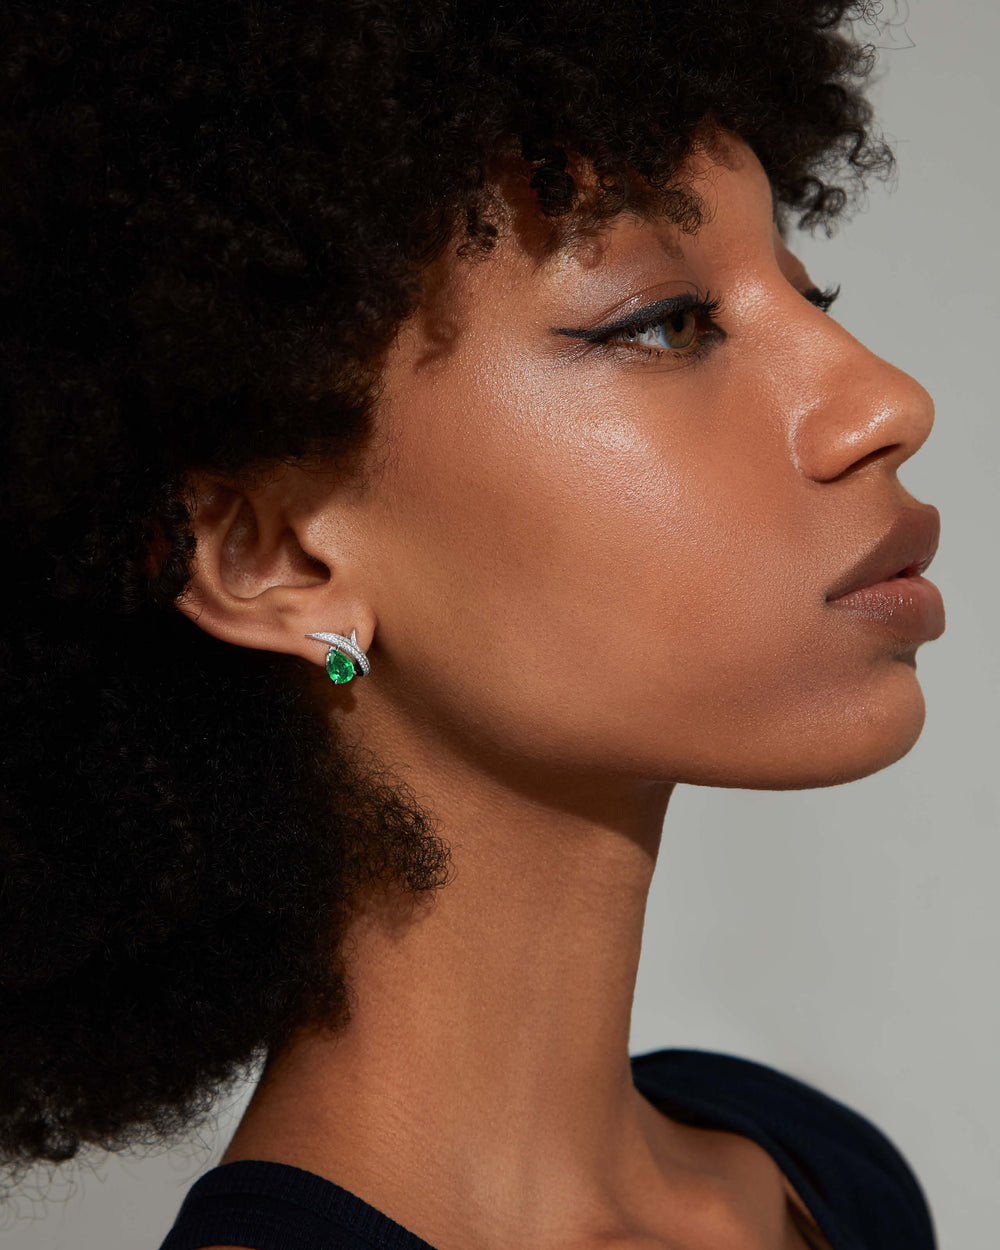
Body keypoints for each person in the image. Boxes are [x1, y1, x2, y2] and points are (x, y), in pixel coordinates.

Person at [0, 2, 945, 1248]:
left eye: (807, 290)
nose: (886, 401)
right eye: (665, 322)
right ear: (275, 558)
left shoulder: (818, 1177)